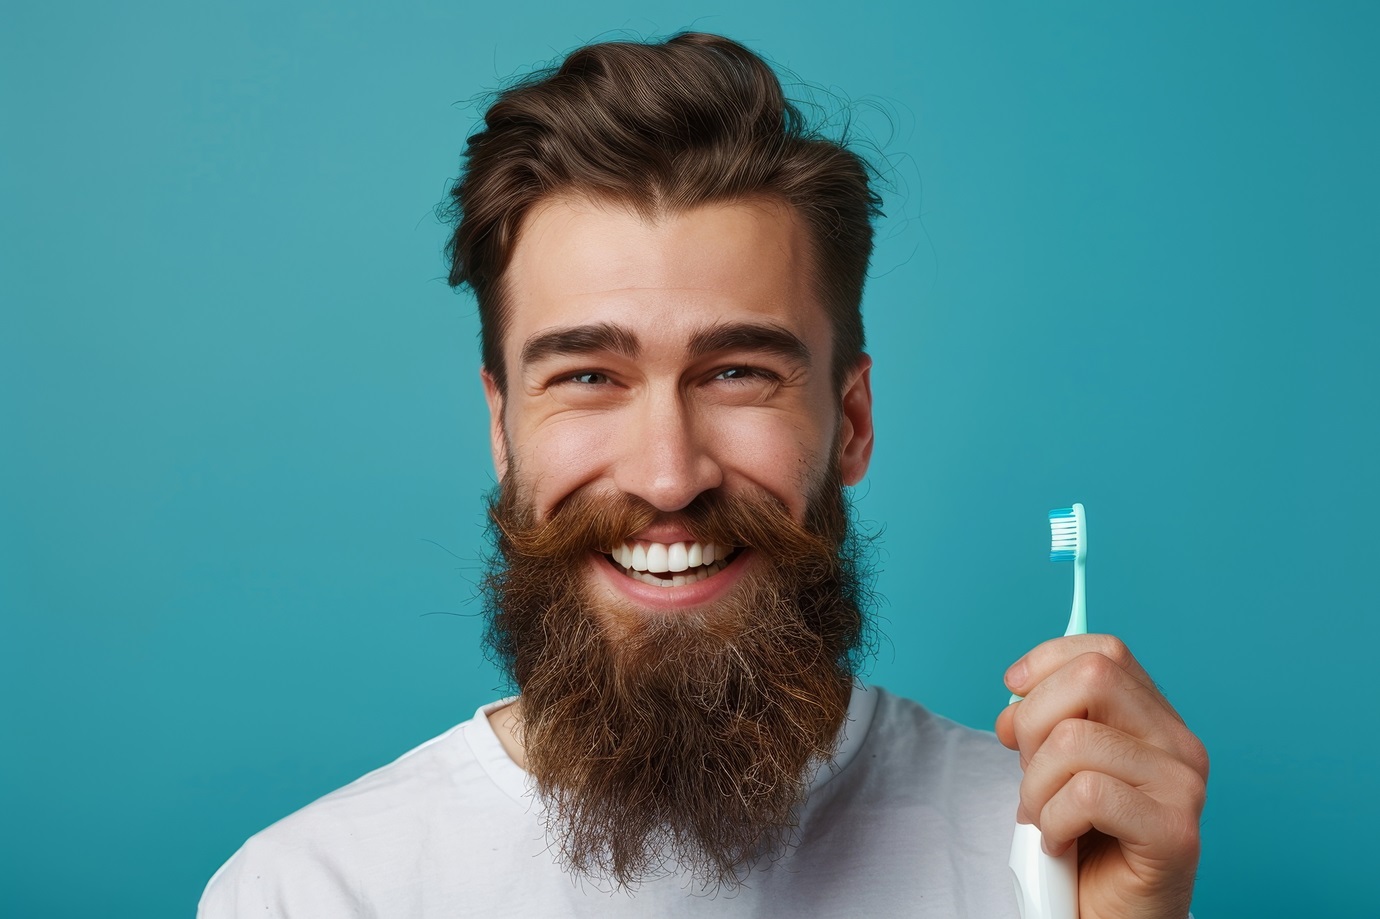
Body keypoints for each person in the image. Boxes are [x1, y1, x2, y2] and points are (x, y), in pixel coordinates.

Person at [199, 32, 1207, 918]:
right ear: (503, 427)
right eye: (589, 375)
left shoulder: (1050, 848)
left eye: (737, 374)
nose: (670, 477)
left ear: (850, 421)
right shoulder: (309, 894)